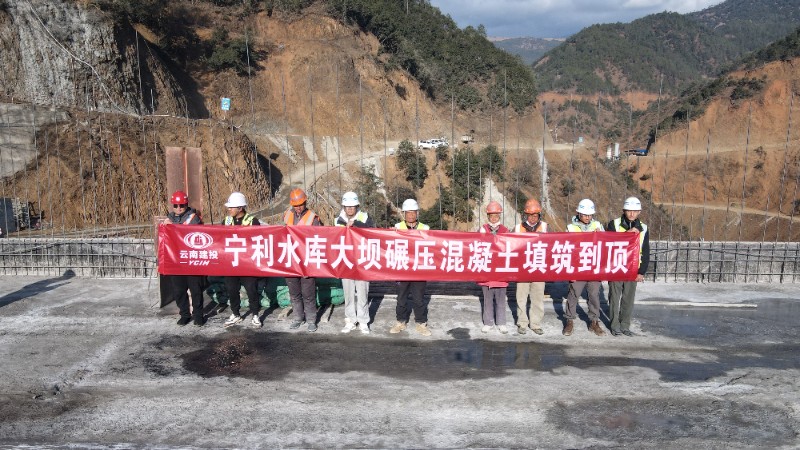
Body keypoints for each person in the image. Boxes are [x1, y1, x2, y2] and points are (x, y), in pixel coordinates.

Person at [606, 197, 650, 336]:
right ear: (624, 210)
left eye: (635, 211)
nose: (632, 214)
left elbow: (646, 251)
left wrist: (641, 272)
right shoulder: (614, 224)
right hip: (616, 266)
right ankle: (614, 326)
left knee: (628, 299)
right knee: (614, 298)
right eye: (629, 211)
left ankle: (625, 325)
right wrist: (627, 234)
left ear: (639, 212)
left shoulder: (644, 228)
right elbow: (609, 242)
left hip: (633, 268)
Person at [563, 198, 606, 337]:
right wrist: (569, 269)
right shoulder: (571, 228)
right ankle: (569, 320)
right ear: (579, 213)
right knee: (574, 293)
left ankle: (594, 321)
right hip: (577, 266)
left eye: (590, 215)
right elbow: (566, 248)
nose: (587, 217)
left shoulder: (598, 225)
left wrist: (601, 235)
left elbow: (606, 244)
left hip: (593, 266)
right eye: (585, 214)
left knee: (594, 294)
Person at [390, 198, 432, 337]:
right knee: (401, 297)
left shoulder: (425, 228)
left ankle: (421, 323)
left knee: (419, 298)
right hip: (402, 268)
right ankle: (400, 321)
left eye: (413, 212)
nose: (411, 215)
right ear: (404, 214)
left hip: (419, 269)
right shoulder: (397, 227)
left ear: (417, 213)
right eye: (408, 212)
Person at [221, 192, 264, 328]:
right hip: (231, 262)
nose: (229, 209)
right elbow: (220, 238)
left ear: (240, 208)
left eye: (232, 207)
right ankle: (235, 314)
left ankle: (255, 315)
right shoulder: (226, 221)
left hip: (247, 263)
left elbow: (258, 240)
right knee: (231, 289)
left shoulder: (252, 221)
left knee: (251, 289)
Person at [162, 190, 205, 326]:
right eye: (176, 205)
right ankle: (185, 314)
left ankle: (198, 315)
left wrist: (172, 227)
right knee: (179, 290)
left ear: (186, 205)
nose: (179, 208)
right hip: (176, 261)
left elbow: (191, 233)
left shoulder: (193, 218)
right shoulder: (168, 219)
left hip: (191, 260)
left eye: (182, 205)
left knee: (195, 289)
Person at [283, 188, 323, 332]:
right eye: (295, 205)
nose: (298, 207)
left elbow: (320, 238)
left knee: (308, 293)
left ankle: (311, 320)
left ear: (305, 202)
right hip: (291, 260)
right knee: (294, 293)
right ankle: (298, 318)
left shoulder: (313, 218)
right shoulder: (287, 215)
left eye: (300, 204)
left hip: (307, 261)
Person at [335, 191, 375, 334]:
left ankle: (363, 321)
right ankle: (350, 320)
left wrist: (356, 224)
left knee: (363, 293)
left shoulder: (365, 217)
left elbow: (372, 232)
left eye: (352, 206)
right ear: (344, 207)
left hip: (362, 262)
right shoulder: (338, 220)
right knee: (348, 294)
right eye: (347, 206)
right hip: (346, 261)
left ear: (357, 206)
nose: (350, 209)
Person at [514, 198, 548, 335]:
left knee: (537, 297)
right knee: (521, 297)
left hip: (539, 268)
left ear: (539, 215)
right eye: (530, 215)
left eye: (535, 215)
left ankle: (535, 324)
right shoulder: (518, 228)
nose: (533, 218)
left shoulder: (545, 227)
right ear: (525, 215)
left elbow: (553, 245)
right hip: (523, 268)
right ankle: (522, 323)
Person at [478, 201, 510, 334]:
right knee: (487, 300)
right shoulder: (482, 229)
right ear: (488, 216)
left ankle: (501, 323)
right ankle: (488, 322)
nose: (494, 218)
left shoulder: (505, 230)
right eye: (491, 215)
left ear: (499, 216)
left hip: (501, 270)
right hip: (487, 270)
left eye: (496, 215)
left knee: (501, 300)